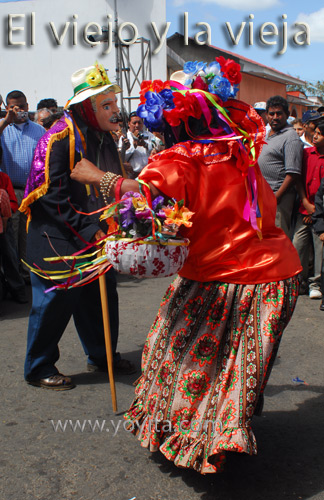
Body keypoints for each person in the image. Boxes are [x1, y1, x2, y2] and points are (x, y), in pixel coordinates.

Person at [71, 58, 302, 473]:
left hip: (226, 277)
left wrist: (96, 177)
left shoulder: (179, 160)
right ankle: (225, 421)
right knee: (237, 363)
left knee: (181, 355)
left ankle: (210, 436)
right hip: (275, 276)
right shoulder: (240, 151)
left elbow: (146, 196)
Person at [19, 62, 135, 391]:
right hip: (58, 239)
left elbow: (110, 183)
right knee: (53, 304)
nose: (115, 112)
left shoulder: (103, 138)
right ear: (87, 107)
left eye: (115, 104)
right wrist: (87, 230)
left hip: (95, 236)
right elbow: (52, 197)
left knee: (100, 299)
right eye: (107, 105)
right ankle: (39, 366)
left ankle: (102, 356)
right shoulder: (59, 138)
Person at [0, 90, 45, 282]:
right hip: (12, 191)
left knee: (29, 234)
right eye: (14, 108)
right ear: (8, 109)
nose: (19, 111)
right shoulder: (3, 130)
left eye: (23, 106)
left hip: (33, 191)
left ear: (28, 107)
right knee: (12, 234)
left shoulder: (39, 130)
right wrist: (6, 121)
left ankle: (27, 275)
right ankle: (14, 277)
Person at [258, 95, 303, 237]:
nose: (275, 117)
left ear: (287, 115)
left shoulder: (290, 137)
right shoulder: (267, 134)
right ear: (266, 115)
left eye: (279, 114)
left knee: (277, 239)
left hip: (278, 199)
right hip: (262, 197)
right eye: (271, 114)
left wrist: (276, 197)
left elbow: (293, 173)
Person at [293, 121, 324, 298]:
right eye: (315, 132)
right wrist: (305, 203)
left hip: (320, 213)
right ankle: (299, 281)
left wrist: (316, 212)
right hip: (304, 209)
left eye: (319, 134)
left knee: (319, 248)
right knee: (298, 244)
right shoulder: (306, 154)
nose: (315, 136)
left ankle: (315, 283)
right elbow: (298, 179)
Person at [119, 111, 155, 178]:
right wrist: (133, 146)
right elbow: (122, 158)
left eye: (139, 123)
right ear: (129, 124)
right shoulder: (125, 138)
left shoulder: (150, 136)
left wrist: (145, 145)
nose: (137, 125)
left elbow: (156, 151)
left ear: (143, 123)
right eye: (134, 123)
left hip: (148, 173)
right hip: (133, 175)